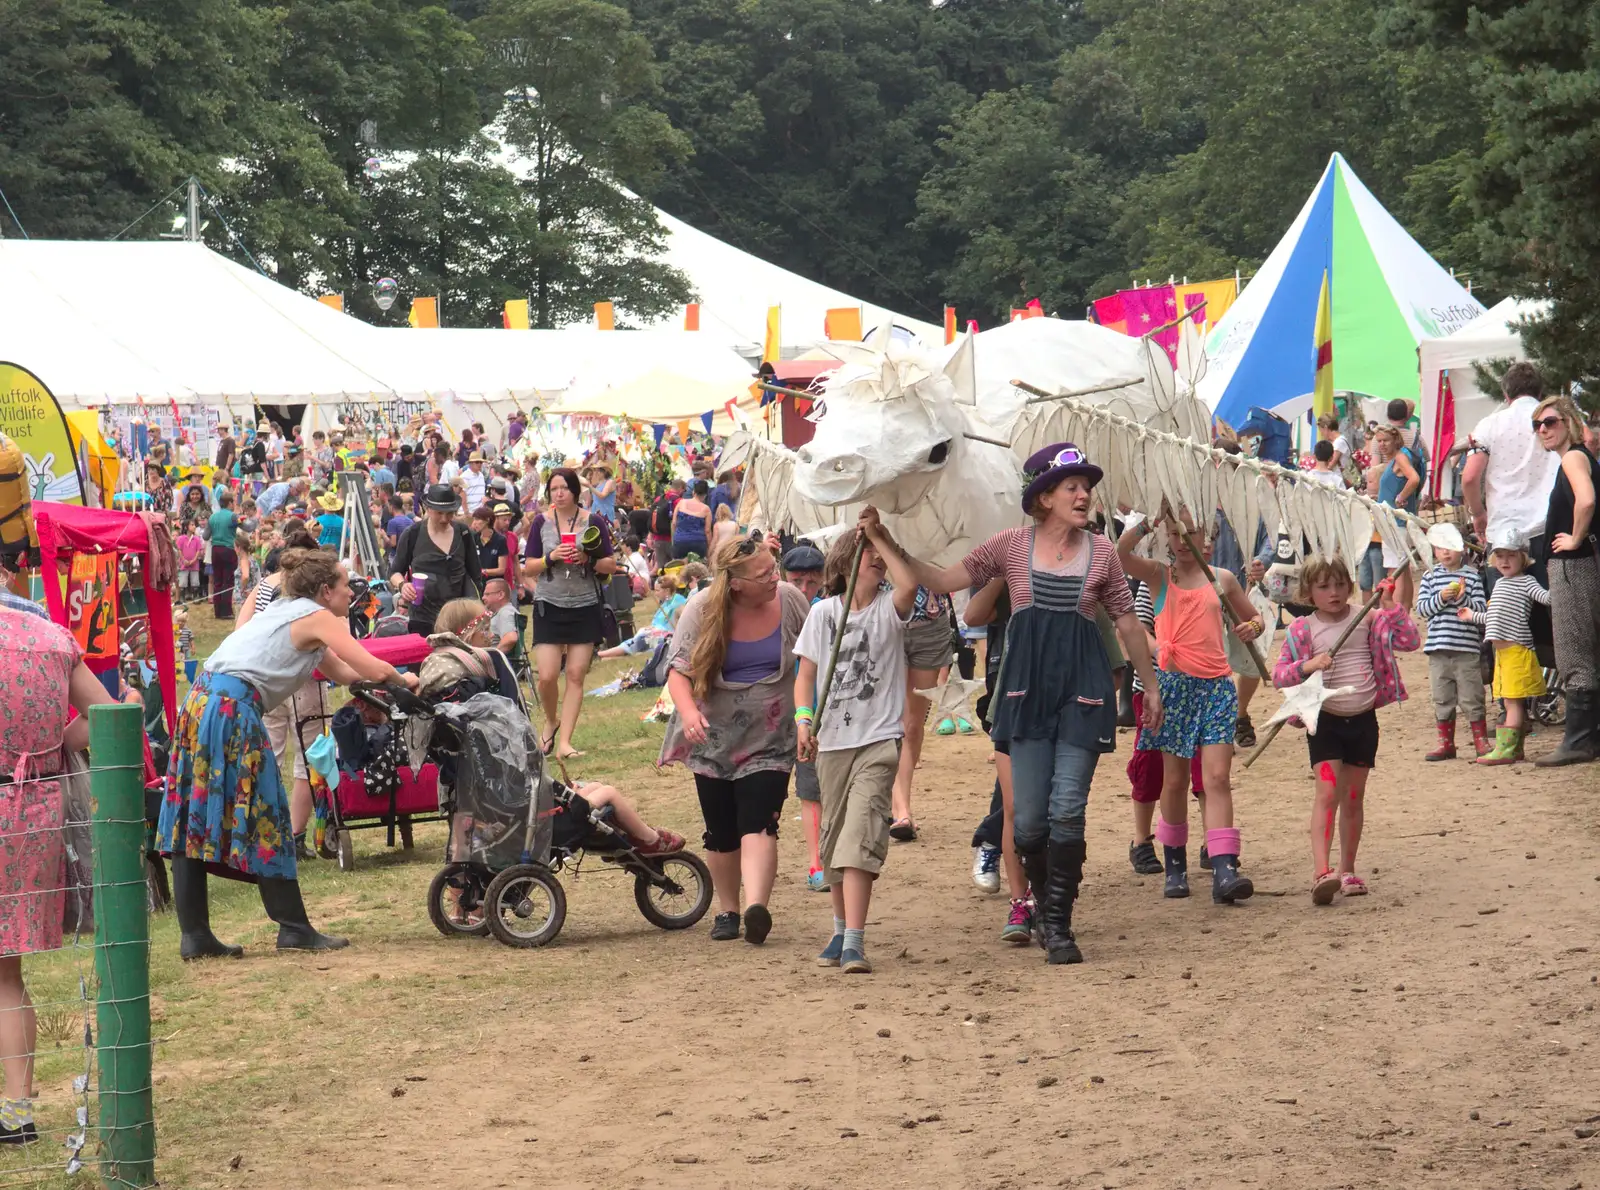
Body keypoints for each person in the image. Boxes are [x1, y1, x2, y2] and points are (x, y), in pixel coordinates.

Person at [858, 443, 1161, 965]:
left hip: (1082, 690)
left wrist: (1149, 686)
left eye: (1086, 487)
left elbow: (1128, 622)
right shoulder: (1009, 546)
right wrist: (886, 540)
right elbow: (945, 580)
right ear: (1043, 497)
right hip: (1024, 693)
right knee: (1027, 824)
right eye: (1072, 486)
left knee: (1068, 809)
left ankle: (1059, 923)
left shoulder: (1104, 553)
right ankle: (1042, 904)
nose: (1084, 495)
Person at [159, 547, 420, 958]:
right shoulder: (314, 616)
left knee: (192, 813)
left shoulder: (288, 612)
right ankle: (293, 928)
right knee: (266, 811)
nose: (351, 592)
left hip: (202, 703)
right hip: (232, 709)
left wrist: (381, 683)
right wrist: (405, 678)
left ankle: (196, 936)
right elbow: (372, 668)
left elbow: (349, 675)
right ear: (323, 591)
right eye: (343, 585)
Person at [0, 589, 119, 1144]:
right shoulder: (51, 638)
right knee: (6, 972)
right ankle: (16, 1111)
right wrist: (51, 746)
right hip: (32, 811)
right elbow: (111, 715)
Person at [658, 536, 812, 945]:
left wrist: (804, 716)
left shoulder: (791, 600)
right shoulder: (703, 608)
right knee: (721, 828)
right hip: (713, 734)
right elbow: (678, 672)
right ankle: (727, 909)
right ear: (737, 583)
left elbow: (811, 662)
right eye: (764, 575)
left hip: (771, 733)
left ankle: (756, 908)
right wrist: (689, 713)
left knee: (760, 819)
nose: (774, 578)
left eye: (774, 568)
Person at [1117, 513, 1264, 903]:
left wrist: (1254, 627)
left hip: (1217, 687)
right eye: (1175, 533)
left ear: (1208, 538)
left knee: (1216, 778)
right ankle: (1176, 863)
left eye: (1191, 533)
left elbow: (1253, 617)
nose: (1183, 541)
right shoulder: (1159, 576)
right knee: (1175, 781)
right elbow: (1119, 553)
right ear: (1166, 536)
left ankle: (1223, 867)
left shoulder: (1223, 579)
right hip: (1173, 688)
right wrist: (1150, 521)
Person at [794, 526, 916, 975]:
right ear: (846, 563)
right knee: (833, 842)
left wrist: (880, 536)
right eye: (869, 556)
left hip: (878, 742)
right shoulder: (822, 614)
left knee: (859, 837)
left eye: (881, 557)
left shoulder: (890, 608)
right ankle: (840, 929)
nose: (879, 562)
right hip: (832, 744)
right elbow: (805, 676)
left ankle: (855, 942)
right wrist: (803, 720)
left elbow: (910, 585)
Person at [1272, 558, 1419, 903]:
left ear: (1350, 586)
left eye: (1339, 584)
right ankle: (1322, 872)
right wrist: (1309, 665)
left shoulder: (1368, 617)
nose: (1333, 593)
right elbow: (1280, 676)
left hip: (1364, 720)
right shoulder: (1302, 629)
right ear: (1309, 592)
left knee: (1353, 798)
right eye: (1323, 587)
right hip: (1325, 722)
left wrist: (1389, 606)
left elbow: (1410, 641)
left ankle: (1347, 870)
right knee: (1327, 794)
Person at [240, 524, 328, 860]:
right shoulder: (314, 588)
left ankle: (267, 837)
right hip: (305, 676)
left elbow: (241, 629)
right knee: (309, 759)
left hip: (266, 679)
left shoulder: (264, 586)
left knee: (269, 758)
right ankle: (295, 835)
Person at [520, 467, 616, 758]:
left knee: (575, 674)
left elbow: (610, 564)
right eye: (553, 489)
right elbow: (528, 566)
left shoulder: (593, 522)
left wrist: (588, 558)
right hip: (549, 604)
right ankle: (551, 721)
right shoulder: (541, 522)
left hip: (585, 604)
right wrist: (551, 557)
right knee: (547, 675)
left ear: (575, 491)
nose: (558, 493)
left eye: (564, 488)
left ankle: (565, 743)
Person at [1531, 395, 1600, 765]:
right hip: (1581, 566)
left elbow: (1586, 501)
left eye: (1550, 421)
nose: (1543, 429)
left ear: (1569, 422)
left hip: (1574, 567)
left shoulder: (1573, 457)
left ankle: (1579, 739)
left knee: (1574, 649)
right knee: (1587, 647)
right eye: (1537, 424)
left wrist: (1573, 538)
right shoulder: (1578, 458)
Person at [1462, 531, 1551, 765]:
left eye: (1511, 555)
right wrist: (1472, 616)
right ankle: (1513, 748)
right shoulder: (1500, 583)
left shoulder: (1527, 582)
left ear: (1523, 558)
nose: (1504, 561)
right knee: (1509, 699)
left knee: (1513, 701)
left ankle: (1507, 749)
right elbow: (1493, 617)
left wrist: (1559, 581)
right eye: (1499, 556)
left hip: (1517, 651)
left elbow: (1547, 598)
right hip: (1502, 654)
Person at [1463, 363, 1563, 557]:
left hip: (1504, 530)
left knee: (1506, 589)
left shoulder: (1489, 425)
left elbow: (1469, 477)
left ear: (1506, 395)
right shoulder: (1557, 420)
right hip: (1552, 527)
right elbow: (1589, 441)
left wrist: (1478, 513)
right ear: (1539, 392)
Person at [1414, 524, 1489, 760]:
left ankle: (1481, 742)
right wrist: (1441, 597)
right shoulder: (1430, 576)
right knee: (1442, 696)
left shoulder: (1473, 576)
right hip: (1438, 648)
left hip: (1466, 649)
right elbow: (1422, 609)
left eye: (1451, 547)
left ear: (1462, 548)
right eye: (1440, 548)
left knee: (1472, 696)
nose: (1446, 552)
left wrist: (1461, 598)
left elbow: (1479, 611)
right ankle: (1446, 743)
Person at [780, 544, 829, 890]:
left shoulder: (829, 611)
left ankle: (830, 859)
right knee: (809, 790)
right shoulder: (774, 609)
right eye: (797, 581)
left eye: (811, 582)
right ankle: (815, 864)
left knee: (827, 789)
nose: (804, 589)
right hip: (789, 715)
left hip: (829, 711)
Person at [598, 574, 685, 658]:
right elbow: (658, 622)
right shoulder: (666, 602)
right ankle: (606, 654)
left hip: (669, 637)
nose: (655, 593)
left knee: (640, 638)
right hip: (660, 634)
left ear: (667, 590)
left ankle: (603, 654)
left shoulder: (678, 602)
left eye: (658, 590)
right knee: (641, 636)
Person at [206, 490, 240, 618]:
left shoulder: (212, 517)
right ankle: (226, 612)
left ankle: (217, 611)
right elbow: (247, 528)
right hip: (228, 549)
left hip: (215, 550)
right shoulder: (233, 516)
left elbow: (205, 536)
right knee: (228, 580)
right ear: (230, 503)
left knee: (217, 581)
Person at [671, 480, 712, 560]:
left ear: (694, 492)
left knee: (679, 568)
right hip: (698, 543)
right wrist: (709, 547)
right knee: (697, 569)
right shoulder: (706, 509)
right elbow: (707, 531)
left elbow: (674, 523)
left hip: (680, 541)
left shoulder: (681, 503)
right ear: (705, 495)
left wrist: (675, 539)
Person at [481, 578, 521, 654]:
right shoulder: (502, 612)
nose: (483, 598)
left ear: (500, 595)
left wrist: (494, 656)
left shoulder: (505, 612)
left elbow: (510, 638)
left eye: (487, 594)